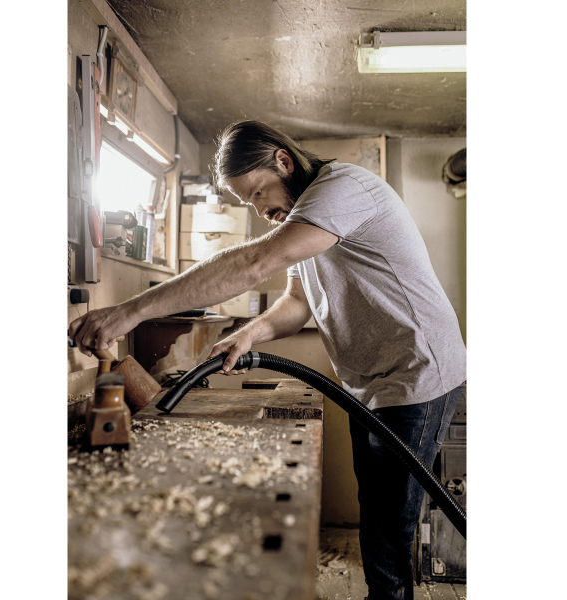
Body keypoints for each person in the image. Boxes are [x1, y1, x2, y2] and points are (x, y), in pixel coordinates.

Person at [69, 120, 466, 600]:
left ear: (283, 160)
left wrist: (129, 312)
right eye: (249, 202)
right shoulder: (304, 216)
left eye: (258, 192)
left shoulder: (342, 189)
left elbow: (256, 263)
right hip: (370, 382)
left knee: (388, 529)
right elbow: (297, 302)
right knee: (378, 506)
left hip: (419, 371)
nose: (261, 210)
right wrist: (247, 335)